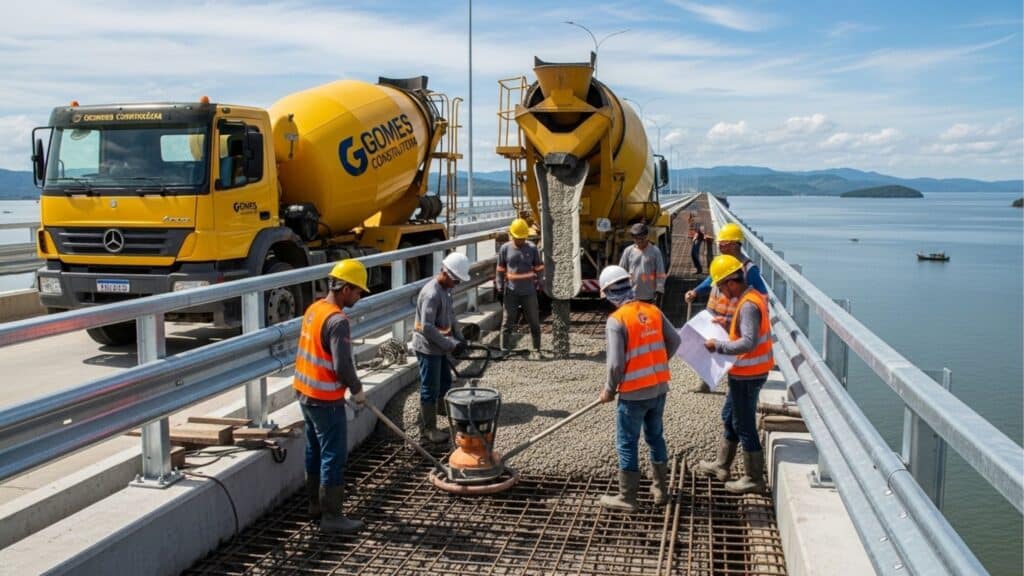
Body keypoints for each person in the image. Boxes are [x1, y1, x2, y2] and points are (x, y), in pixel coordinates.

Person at [597, 265, 682, 512]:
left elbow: (615, 364)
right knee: (655, 437)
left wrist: (609, 389)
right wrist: (657, 362)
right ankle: (660, 490)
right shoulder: (653, 310)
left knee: (627, 442)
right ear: (629, 285)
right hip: (658, 388)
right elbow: (675, 340)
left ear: (609, 294)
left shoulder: (617, 320)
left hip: (633, 394)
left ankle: (628, 497)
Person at [293, 259, 369, 533]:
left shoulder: (315, 309)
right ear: (345, 288)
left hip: (305, 393)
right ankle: (332, 517)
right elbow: (342, 365)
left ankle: (314, 505)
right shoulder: (338, 321)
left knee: (314, 450)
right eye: (358, 291)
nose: (359, 296)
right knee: (333, 456)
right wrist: (357, 390)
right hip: (325, 399)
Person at [697, 255, 774, 494]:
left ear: (732, 282)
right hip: (743, 373)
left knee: (744, 424)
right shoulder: (746, 300)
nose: (720, 293)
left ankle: (753, 478)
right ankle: (722, 465)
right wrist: (727, 321)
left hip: (749, 375)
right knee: (729, 416)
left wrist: (717, 346)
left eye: (720, 287)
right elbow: (743, 329)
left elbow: (748, 342)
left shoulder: (749, 304)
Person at [684, 222, 768, 392]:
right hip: (714, 314)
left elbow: (762, 295)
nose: (719, 246)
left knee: (732, 351)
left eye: (723, 243)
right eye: (719, 244)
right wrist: (696, 291)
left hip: (733, 318)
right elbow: (711, 280)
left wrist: (750, 315)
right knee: (709, 346)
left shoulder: (748, 269)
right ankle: (706, 382)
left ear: (734, 244)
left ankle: (733, 385)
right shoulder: (721, 262)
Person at [411, 251, 471, 444]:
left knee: (445, 380)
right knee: (430, 387)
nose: (457, 284)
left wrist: (460, 337)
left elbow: (451, 315)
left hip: (440, 346)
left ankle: (441, 408)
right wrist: (451, 345)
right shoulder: (432, 294)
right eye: (456, 281)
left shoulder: (446, 290)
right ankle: (428, 430)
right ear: (446, 274)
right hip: (428, 348)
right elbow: (427, 327)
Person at [496, 218, 544, 358]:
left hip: (529, 292)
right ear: (512, 235)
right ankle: (504, 349)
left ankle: (536, 349)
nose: (520, 241)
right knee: (507, 321)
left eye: (523, 238)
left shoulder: (532, 248)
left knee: (534, 321)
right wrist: (499, 286)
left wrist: (541, 281)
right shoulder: (505, 249)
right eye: (518, 238)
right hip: (511, 292)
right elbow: (500, 269)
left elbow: (539, 267)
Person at [618, 222, 666, 306]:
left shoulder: (655, 251)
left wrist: (659, 289)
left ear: (646, 236)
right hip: (632, 295)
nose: (639, 241)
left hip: (648, 296)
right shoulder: (628, 251)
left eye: (641, 238)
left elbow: (660, 272)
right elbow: (621, 270)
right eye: (637, 238)